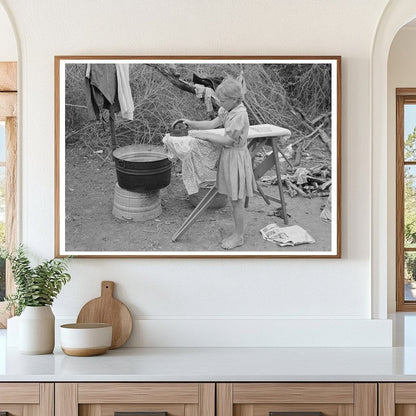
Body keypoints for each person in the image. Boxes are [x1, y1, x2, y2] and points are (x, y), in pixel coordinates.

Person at [181, 77, 257, 250]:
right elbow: (212, 123)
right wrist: (190, 123)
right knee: (233, 196)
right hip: (229, 157)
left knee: (237, 199)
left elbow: (229, 140)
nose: (220, 103)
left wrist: (206, 136)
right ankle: (238, 232)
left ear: (235, 99)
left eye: (223, 100)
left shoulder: (239, 114)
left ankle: (239, 236)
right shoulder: (228, 109)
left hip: (236, 158)